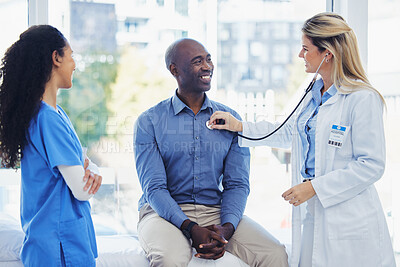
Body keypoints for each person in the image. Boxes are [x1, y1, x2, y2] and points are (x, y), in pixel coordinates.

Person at [209, 12, 396, 267]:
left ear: (327, 53)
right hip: (313, 210)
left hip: (350, 215)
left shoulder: (362, 98)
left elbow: (371, 165)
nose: (300, 55)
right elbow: (288, 132)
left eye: (305, 49)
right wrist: (239, 126)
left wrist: (315, 187)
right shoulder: (312, 94)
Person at [133, 38, 288, 267]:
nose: (207, 67)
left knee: (275, 254)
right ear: (174, 70)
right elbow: (154, 188)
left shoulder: (231, 119)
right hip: (161, 214)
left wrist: (227, 227)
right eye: (197, 61)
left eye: (208, 59)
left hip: (214, 212)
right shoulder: (149, 122)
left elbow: (237, 184)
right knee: (170, 259)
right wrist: (190, 228)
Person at [0, 25, 102, 266]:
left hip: (53, 244)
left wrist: (91, 168)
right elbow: (81, 189)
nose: (74, 64)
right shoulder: (48, 119)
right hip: (59, 247)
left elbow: (84, 166)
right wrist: (94, 172)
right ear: (56, 58)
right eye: (71, 55)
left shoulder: (52, 114)